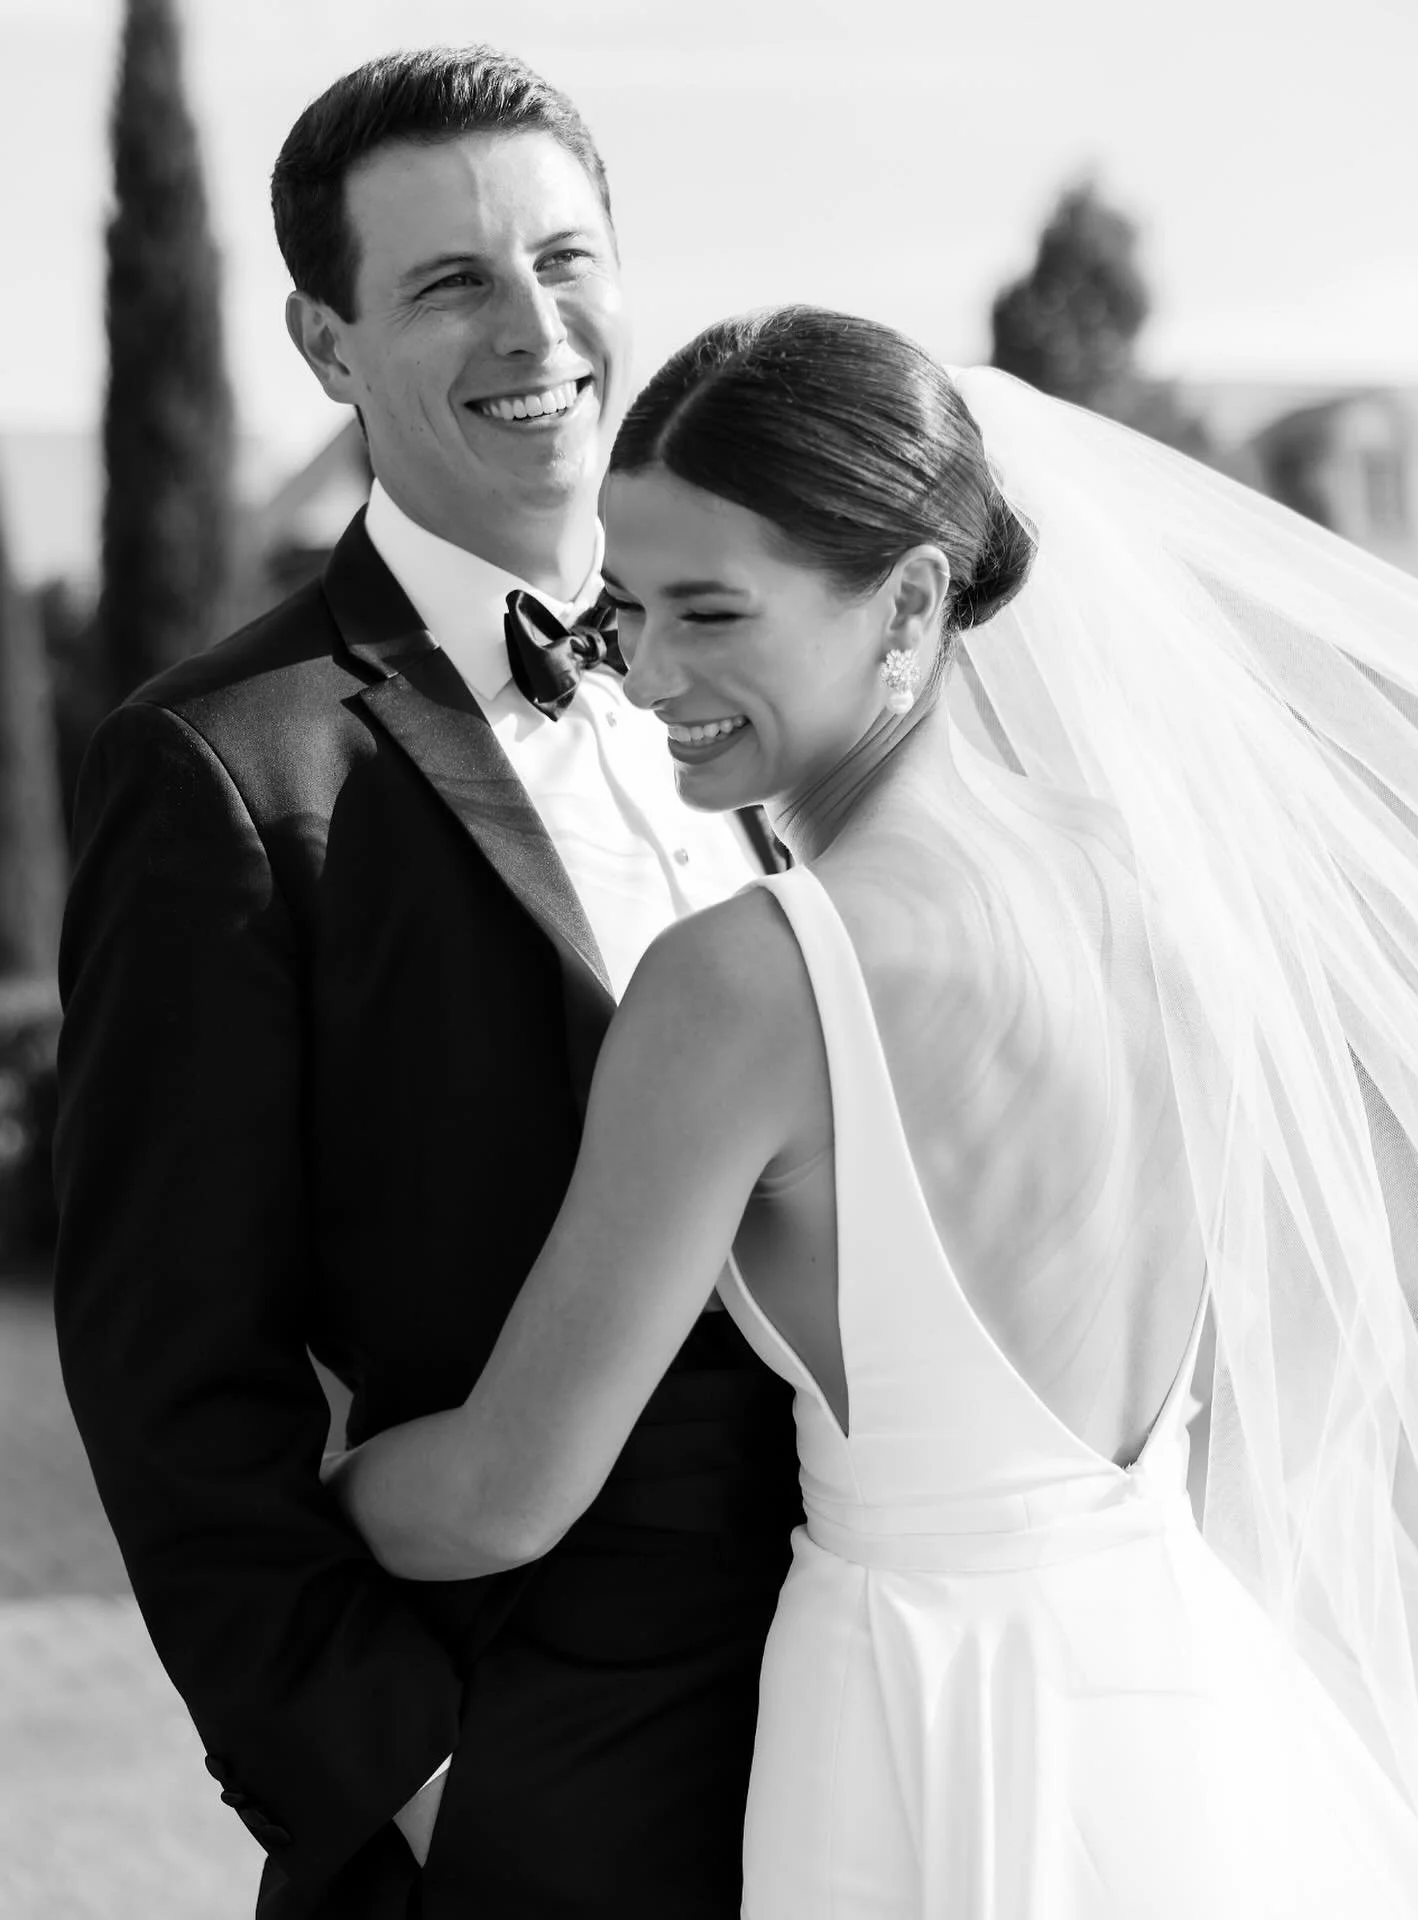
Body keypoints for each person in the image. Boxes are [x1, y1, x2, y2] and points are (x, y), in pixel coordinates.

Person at [326, 305, 1418, 1916]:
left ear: (912, 602)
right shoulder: (1159, 894)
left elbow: (507, 1494)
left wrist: (309, 1497)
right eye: (628, 611)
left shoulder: (747, 983)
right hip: (1186, 1707)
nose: (647, 675)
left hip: (918, 1730)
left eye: (713, 613)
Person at [52, 48, 798, 1920]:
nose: (532, 325)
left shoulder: (808, 696)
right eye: (451, 280)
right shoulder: (227, 766)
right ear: (325, 341)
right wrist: (414, 1782)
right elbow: (171, 1380)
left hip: (882, 1690)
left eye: (565, 259)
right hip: (539, 1777)